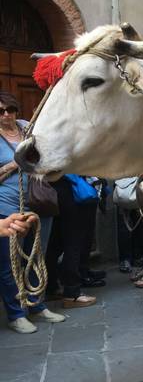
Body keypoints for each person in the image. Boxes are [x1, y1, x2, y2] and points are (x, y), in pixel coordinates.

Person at [0, 91, 64, 333]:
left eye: (11, 109)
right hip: (6, 208)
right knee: (10, 263)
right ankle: (16, 314)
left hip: (38, 205)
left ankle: (38, 306)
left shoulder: (28, 128)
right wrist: (14, 163)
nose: (7, 115)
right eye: (1, 111)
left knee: (37, 256)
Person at [46, 174, 101, 308]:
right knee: (74, 242)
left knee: (55, 243)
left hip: (52, 192)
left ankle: (51, 287)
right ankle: (72, 292)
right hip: (69, 193)